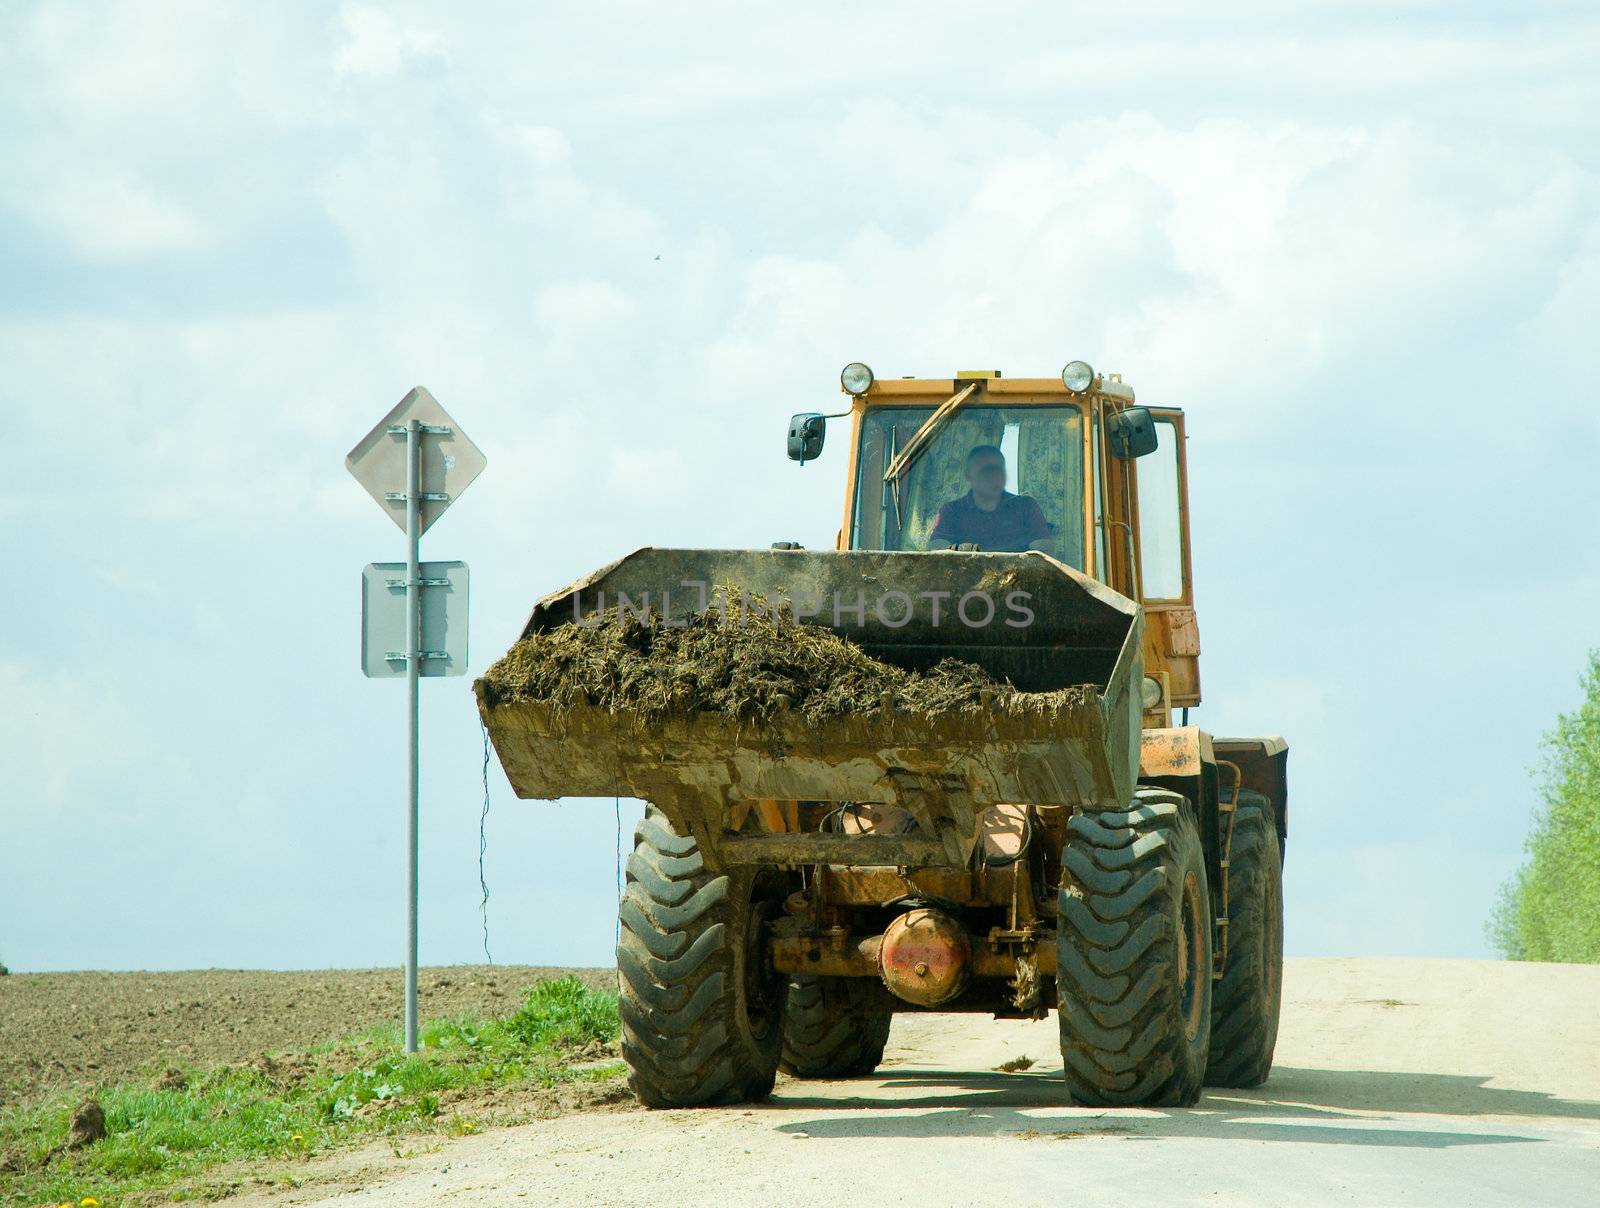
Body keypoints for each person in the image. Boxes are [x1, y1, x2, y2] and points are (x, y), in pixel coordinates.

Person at [928, 445, 1053, 553]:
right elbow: (936, 548)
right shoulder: (951, 511)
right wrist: (957, 551)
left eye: (998, 469)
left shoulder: (1026, 506)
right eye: (986, 470)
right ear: (968, 475)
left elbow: (1043, 552)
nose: (993, 476)